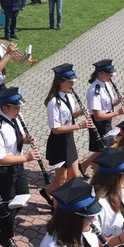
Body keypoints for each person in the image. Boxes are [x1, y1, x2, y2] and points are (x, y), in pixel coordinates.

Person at [0, 87, 39, 247]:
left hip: (18, 166)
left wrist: (25, 140)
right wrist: (27, 158)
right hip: (3, 172)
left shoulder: (15, 117)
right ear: (4, 107)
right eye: (15, 107)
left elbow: (16, 137)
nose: (19, 110)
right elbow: (0, 158)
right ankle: (5, 235)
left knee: (22, 197)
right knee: (9, 205)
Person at [41, 64, 93, 203]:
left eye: (73, 81)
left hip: (68, 139)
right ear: (60, 82)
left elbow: (68, 117)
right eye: (70, 81)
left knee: (75, 175)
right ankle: (52, 197)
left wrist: (80, 113)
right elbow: (55, 129)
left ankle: (59, 196)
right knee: (61, 178)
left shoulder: (69, 96)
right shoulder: (53, 102)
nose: (73, 84)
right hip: (58, 142)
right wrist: (80, 125)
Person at [79, 59, 124, 175]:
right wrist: (118, 113)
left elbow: (108, 104)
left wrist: (118, 101)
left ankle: (84, 165)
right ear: (100, 74)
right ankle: (95, 177)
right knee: (101, 152)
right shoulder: (95, 91)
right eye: (109, 74)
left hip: (106, 122)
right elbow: (98, 116)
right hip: (99, 124)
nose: (111, 77)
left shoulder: (106, 84)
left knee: (102, 151)